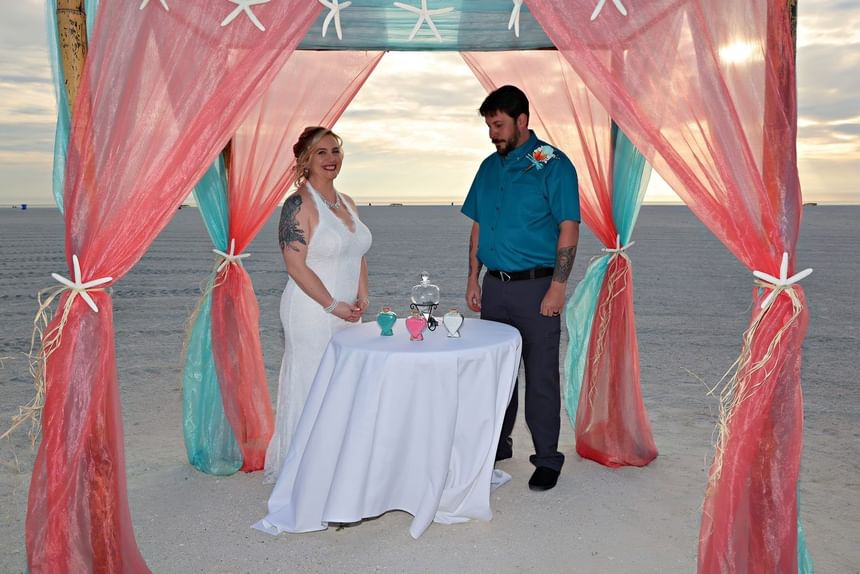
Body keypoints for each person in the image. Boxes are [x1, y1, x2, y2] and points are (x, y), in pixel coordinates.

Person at [461, 85, 580, 492]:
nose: (492, 133)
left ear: (522, 121)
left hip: (538, 288)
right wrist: (472, 277)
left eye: (498, 125)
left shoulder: (554, 165)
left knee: (541, 377)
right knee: (496, 375)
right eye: (489, 125)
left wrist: (559, 287)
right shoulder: (488, 167)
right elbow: (479, 224)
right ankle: (497, 444)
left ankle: (547, 458)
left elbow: (568, 226)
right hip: (495, 289)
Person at [264, 126, 372, 483]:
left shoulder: (348, 202)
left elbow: (357, 252)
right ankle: (307, 474)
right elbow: (295, 264)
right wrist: (331, 305)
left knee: (344, 386)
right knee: (313, 385)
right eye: (321, 152)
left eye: (335, 151)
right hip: (312, 312)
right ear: (305, 161)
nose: (331, 159)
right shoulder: (299, 204)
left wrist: (362, 294)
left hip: (347, 311)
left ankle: (338, 466)